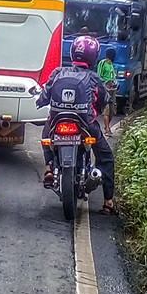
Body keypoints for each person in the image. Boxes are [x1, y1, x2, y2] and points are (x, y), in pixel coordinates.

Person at [37, 35, 116, 214]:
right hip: (86, 125)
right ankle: (108, 202)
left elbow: (44, 97)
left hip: (56, 123)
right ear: (94, 56)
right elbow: (103, 100)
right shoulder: (94, 78)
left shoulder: (58, 72)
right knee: (106, 157)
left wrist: (40, 101)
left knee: (45, 137)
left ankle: (49, 166)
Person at [97, 47, 118, 136]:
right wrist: (106, 83)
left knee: (112, 111)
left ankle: (107, 126)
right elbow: (99, 76)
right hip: (105, 89)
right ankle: (107, 129)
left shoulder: (112, 65)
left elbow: (114, 77)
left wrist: (115, 83)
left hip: (112, 90)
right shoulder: (102, 63)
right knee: (107, 110)